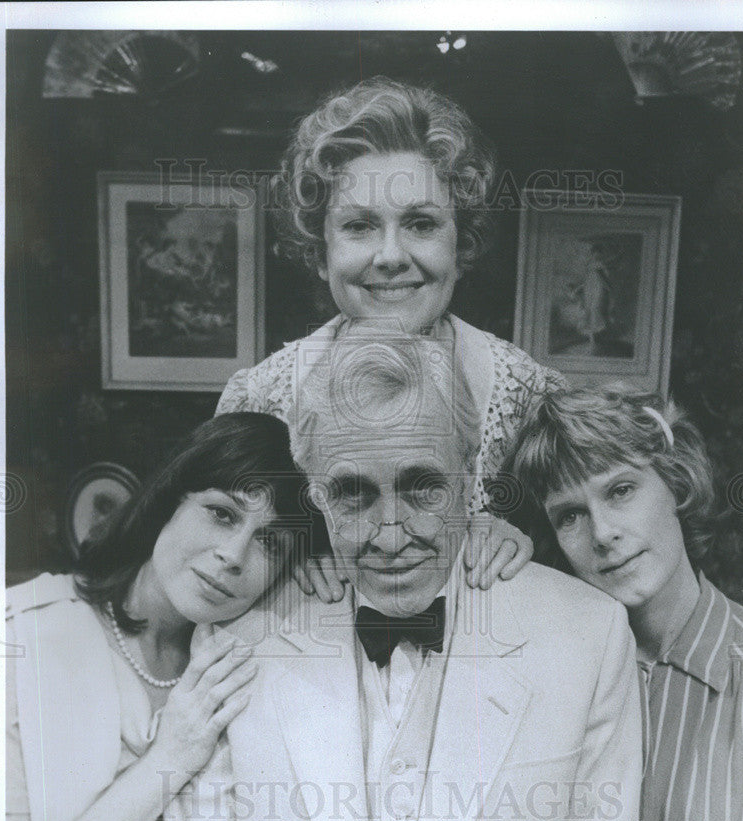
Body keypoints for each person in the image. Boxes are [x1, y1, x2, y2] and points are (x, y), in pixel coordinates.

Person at [165, 336, 642, 821]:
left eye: (422, 489)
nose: (391, 535)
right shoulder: (242, 632)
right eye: (355, 495)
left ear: (472, 475)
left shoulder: (587, 633)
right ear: (315, 494)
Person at [216, 76, 568, 597]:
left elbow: (588, 589)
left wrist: (533, 538)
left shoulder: (531, 399)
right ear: (321, 251)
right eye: (359, 226)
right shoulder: (259, 401)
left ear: (460, 242)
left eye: (421, 224)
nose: (391, 255)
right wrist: (284, 553)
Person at [5, 412, 311, 821]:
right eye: (221, 514)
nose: (234, 555)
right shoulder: (22, 635)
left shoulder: (243, 663)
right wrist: (167, 761)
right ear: (169, 498)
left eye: (271, 543)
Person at [510, 385, 743, 821]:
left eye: (620, 490)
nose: (603, 533)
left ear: (677, 483)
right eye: (569, 515)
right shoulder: (544, 678)